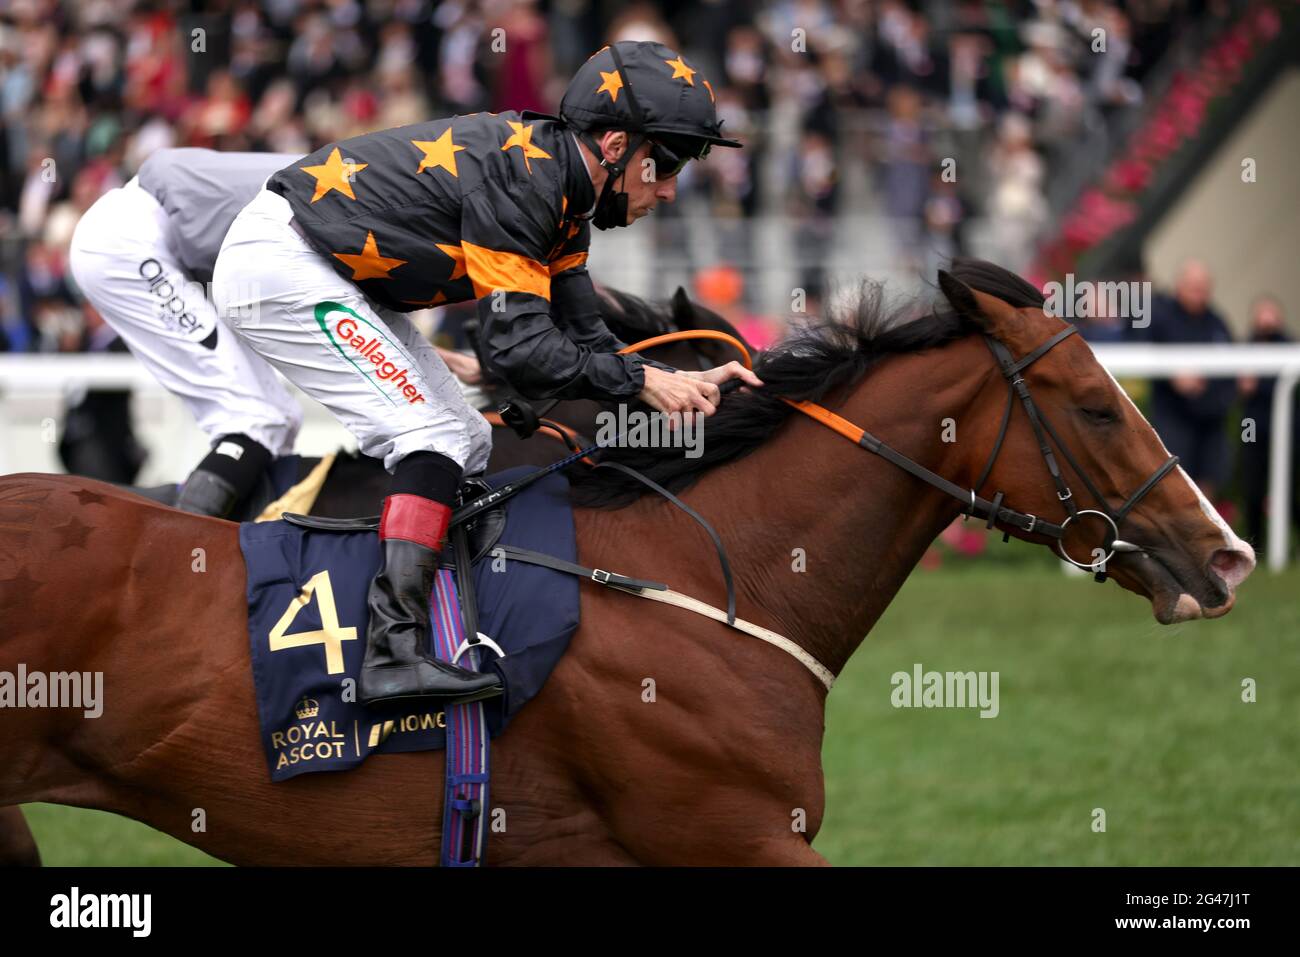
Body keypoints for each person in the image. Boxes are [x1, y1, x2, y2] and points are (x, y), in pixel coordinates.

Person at [210, 41, 761, 706]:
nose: (670, 188)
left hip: (315, 265)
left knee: (466, 440)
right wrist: (643, 382)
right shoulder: (530, 179)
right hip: (282, 264)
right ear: (616, 144)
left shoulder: (561, 191)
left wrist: (685, 379)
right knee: (433, 440)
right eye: (665, 162)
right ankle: (390, 652)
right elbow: (520, 351)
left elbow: (583, 334)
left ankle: (438, 622)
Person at [68, 148, 306, 516]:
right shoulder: (338, 190)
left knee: (279, 418)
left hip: (141, 237)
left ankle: (251, 551)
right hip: (130, 244)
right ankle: (180, 556)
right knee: (254, 419)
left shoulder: (348, 176)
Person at [1141, 260, 1237, 502]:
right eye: (1194, 286)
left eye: (1204, 287)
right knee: (1175, 484)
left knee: (1208, 486)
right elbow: (1140, 351)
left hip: (1211, 420)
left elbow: (1231, 363)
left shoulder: (1217, 321)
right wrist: (1173, 374)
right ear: (1179, 285)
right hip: (1174, 419)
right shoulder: (1160, 316)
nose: (1199, 293)